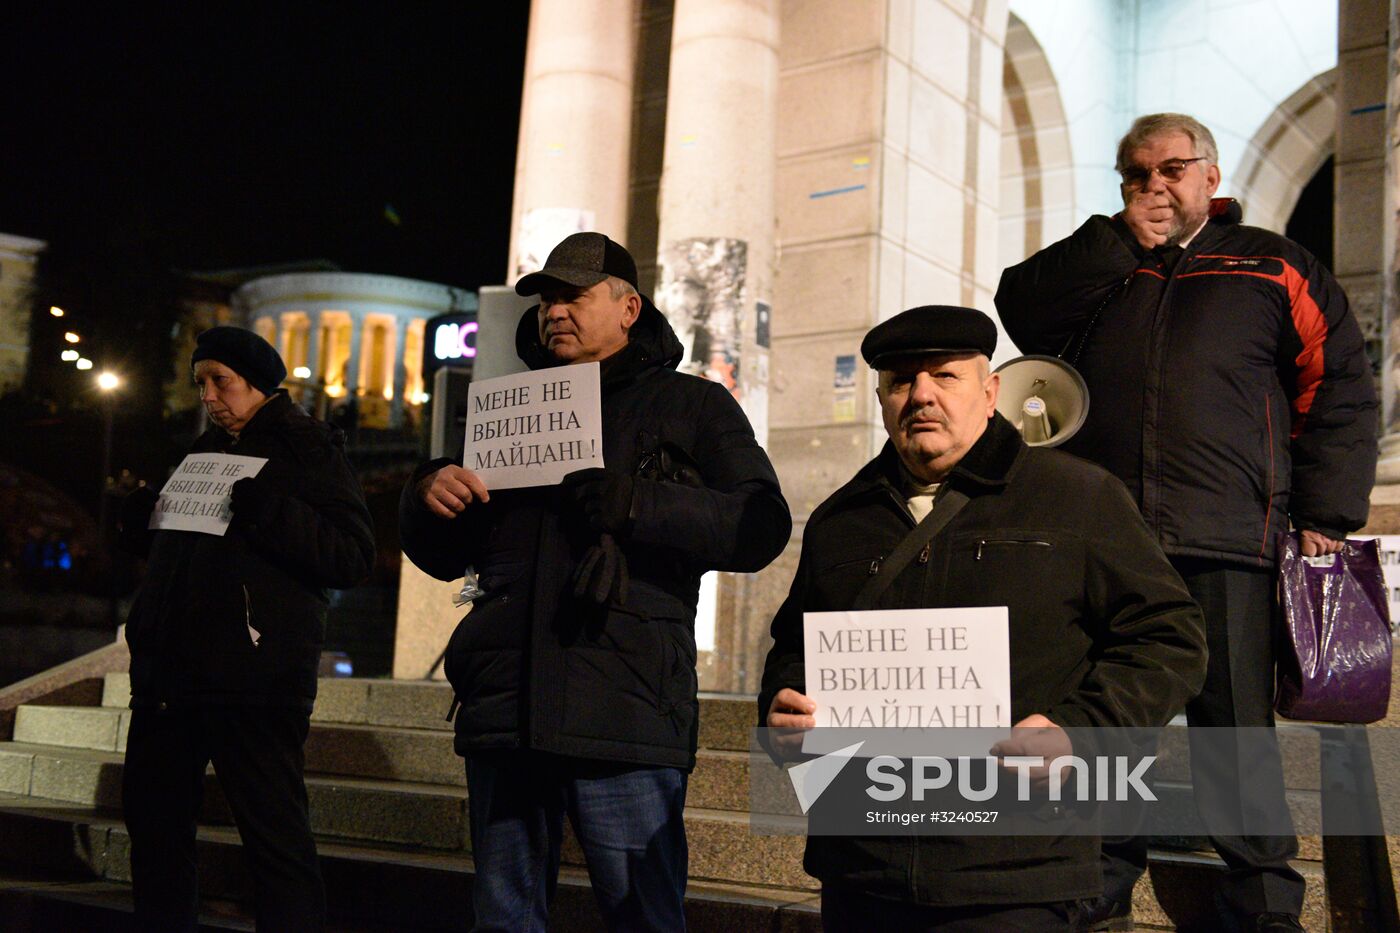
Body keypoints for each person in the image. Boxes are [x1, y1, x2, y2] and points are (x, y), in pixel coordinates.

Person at [995, 113, 1379, 932]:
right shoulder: (1106, 267)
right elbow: (1019, 307)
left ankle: (1264, 898)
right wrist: (1116, 240)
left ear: (1210, 173)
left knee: (1233, 728)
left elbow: (1339, 384)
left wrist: (1326, 515)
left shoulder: (1274, 264)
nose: (1153, 186)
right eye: (1135, 174)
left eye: (1170, 169)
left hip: (1225, 537)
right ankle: (1095, 887)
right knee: (1108, 720)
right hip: (1107, 546)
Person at [758, 305, 1207, 931]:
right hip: (863, 866)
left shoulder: (1078, 496)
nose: (920, 396)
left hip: (1016, 870)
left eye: (944, 376)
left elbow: (1170, 637)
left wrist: (1079, 731)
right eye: (900, 381)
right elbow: (794, 647)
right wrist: (780, 713)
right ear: (881, 399)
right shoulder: (841, 519)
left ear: (990, 390)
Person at [400, 232, 790, 932]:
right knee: (504, 919)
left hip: (625, 713)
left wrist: (638, 505)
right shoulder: (507, 409)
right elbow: (442, 553)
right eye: (546, 299)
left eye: (573, 296)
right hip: (507, 712)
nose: (554, 311)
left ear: (629, 307)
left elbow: (761, 523)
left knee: (642, 917)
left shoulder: (691, 405)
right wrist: (427, 492)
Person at [115, 326, 375, 931]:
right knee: (154, 828)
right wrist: (138, 525)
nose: (207, 395)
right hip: (170, 677)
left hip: (254, 681)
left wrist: (272, 513)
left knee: (274, 839)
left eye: (220, 381)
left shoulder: (310, 448)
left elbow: (352, 556)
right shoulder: (200, 453)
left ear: (257, 383)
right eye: (200, 382)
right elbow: (182, 556)